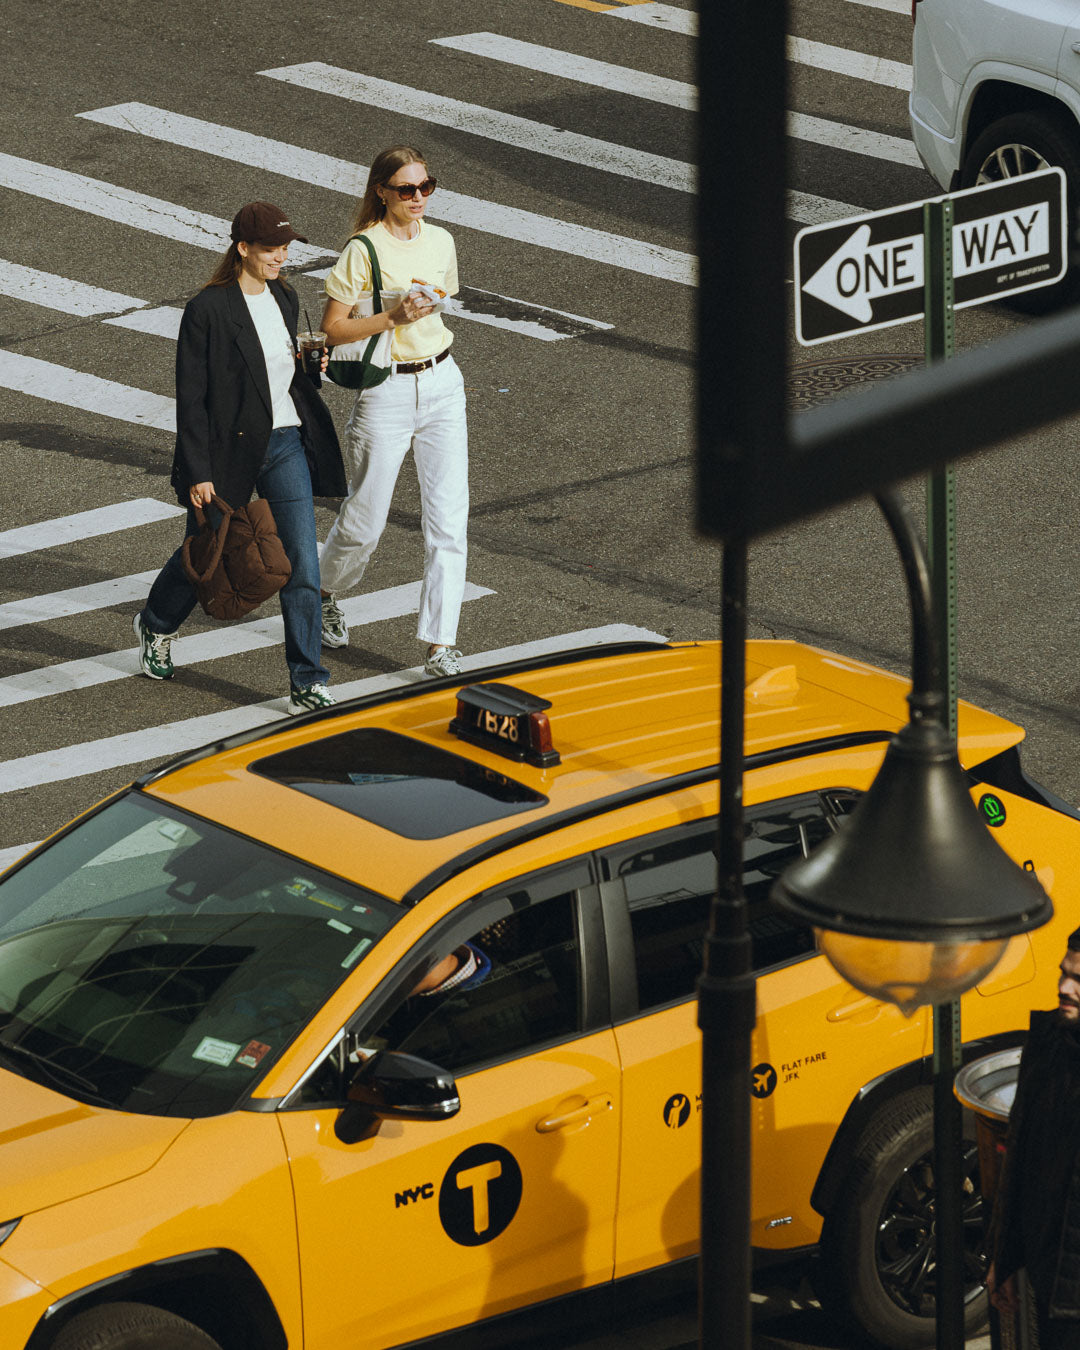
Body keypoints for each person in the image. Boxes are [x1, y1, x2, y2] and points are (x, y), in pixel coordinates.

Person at [132, 201, 346, 714]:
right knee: (206, 551)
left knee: (300, 561)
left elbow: (281, 376)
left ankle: (307, 680)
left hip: (283, 441)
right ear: (243, 249)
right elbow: (192, 395)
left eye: (286, 247)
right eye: (271, 249)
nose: (281, 256)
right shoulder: (208, 309)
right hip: (226, 449)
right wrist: (197, 471)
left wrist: (310, 366)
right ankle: (156, 624)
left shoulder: (285, 296)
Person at [317, 146, 469, 679]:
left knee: (449, 523)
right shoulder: (363, 249)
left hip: (443, 382)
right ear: (382, 191)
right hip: (387, 392)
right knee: (364, 524)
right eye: (407, 190)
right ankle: (323, 591)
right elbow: (332, 329)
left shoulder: (443, 240)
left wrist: (422, 308)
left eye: (426, 187)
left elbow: (443, 298)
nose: (419, 198)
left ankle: (439, 644)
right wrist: (390, 316)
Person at [987, 926, 1080, 1349]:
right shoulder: (1047, 1045)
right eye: (1065, 974)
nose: (1065, 987)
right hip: (1056, 1288)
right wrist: (1005, 1259)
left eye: (1079, 980)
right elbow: (1021, 1156)